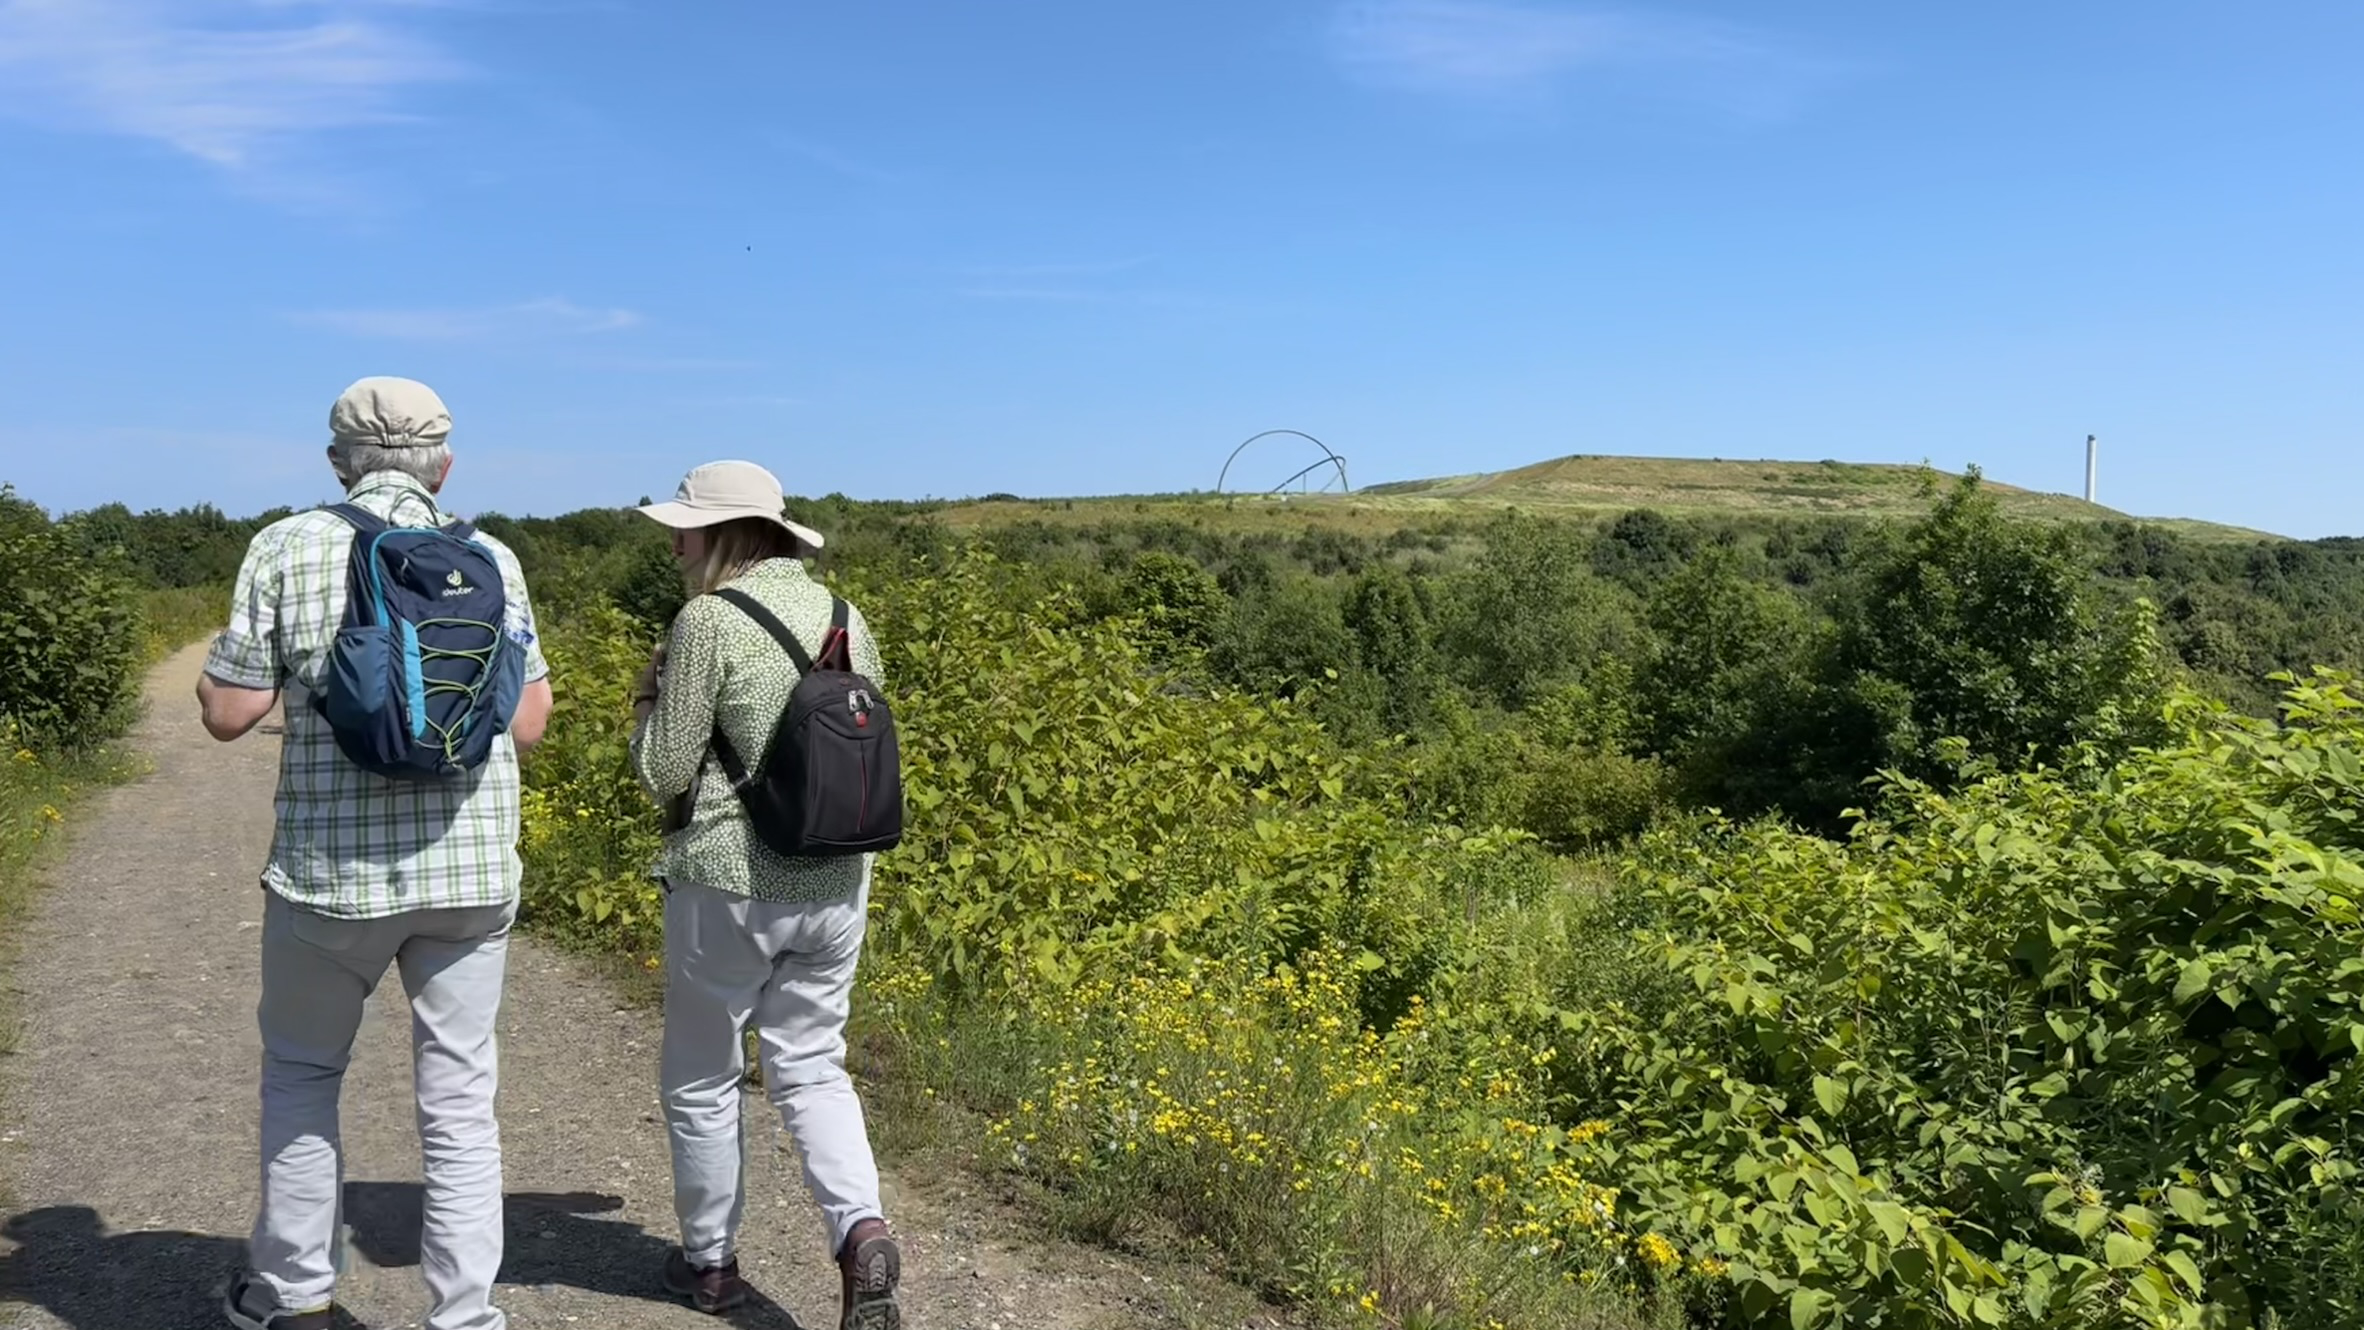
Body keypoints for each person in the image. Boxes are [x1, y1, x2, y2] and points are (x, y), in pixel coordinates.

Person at [196, 377, 554, 1330]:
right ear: (445, 465)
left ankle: (297, 1296)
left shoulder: (285, 545)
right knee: (460, 1099)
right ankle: (466, 1318)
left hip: (331, 880)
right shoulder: (494, 559)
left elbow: (231, 716)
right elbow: (528, 724)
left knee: (306, 1076)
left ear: (336, 461)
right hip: (471, 877)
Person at [628, 460, 902, 1329]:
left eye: (686, 528)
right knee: (814, 1065)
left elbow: (663, 770)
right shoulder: (847, 617)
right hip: (837, 877)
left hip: (730, 881)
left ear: (725, 534)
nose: (675, 543)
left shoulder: (707, 621)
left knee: (706, 1077)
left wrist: (645, 703)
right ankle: (861, 1233)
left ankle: (710, 1267)